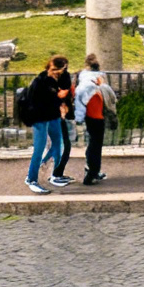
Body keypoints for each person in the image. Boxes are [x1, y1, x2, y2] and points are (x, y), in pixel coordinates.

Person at [18, 61, 61, 193]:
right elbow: (36, 103)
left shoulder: (51, 82)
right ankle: (31, 179)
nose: (57, 73)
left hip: (48, 117)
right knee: (39, 148)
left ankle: (45, 164)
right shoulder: (39, 83)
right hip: (39, 119)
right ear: (48, 69)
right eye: (54, 70)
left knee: (58, 143)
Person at [75, 54, 113, 185]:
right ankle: (91, 174)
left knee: (92, 143)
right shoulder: (99, 80)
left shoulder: (82, 79)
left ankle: (91, 170)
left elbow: (79, 98)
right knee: (96, 145)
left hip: (88, 115)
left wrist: (79, 118)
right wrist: (103, 85)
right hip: (97, 115)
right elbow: (111, 96)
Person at [44, 55, 76, 187]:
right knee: (64, 146)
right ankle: (55, 175)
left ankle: (57, 173)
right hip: (57, 116)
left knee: (62, 145)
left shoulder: (50, 79)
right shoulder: (60, 79)